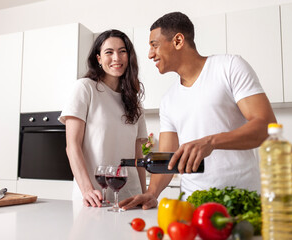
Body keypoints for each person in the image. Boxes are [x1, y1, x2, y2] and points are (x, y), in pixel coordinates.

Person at [120, 12, 277, 210]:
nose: (150, 54)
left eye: (154, 44)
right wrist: (151, 193)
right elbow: (168, 157)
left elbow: (266, 126)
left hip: (241, 201)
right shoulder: (169, 100)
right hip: (192, 206)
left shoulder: (229, 67)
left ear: (178, 40)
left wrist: (211, 142)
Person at [58, 29, 148, 207]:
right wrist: (87, 190)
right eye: (109, 52)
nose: (117, 58)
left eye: (123, 51)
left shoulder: (134, 102)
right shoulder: (85, 88)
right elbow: (72, 145)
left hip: (131, 197)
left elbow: (138, 155)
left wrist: (144, 194)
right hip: (95, 198)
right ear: (98, 58)